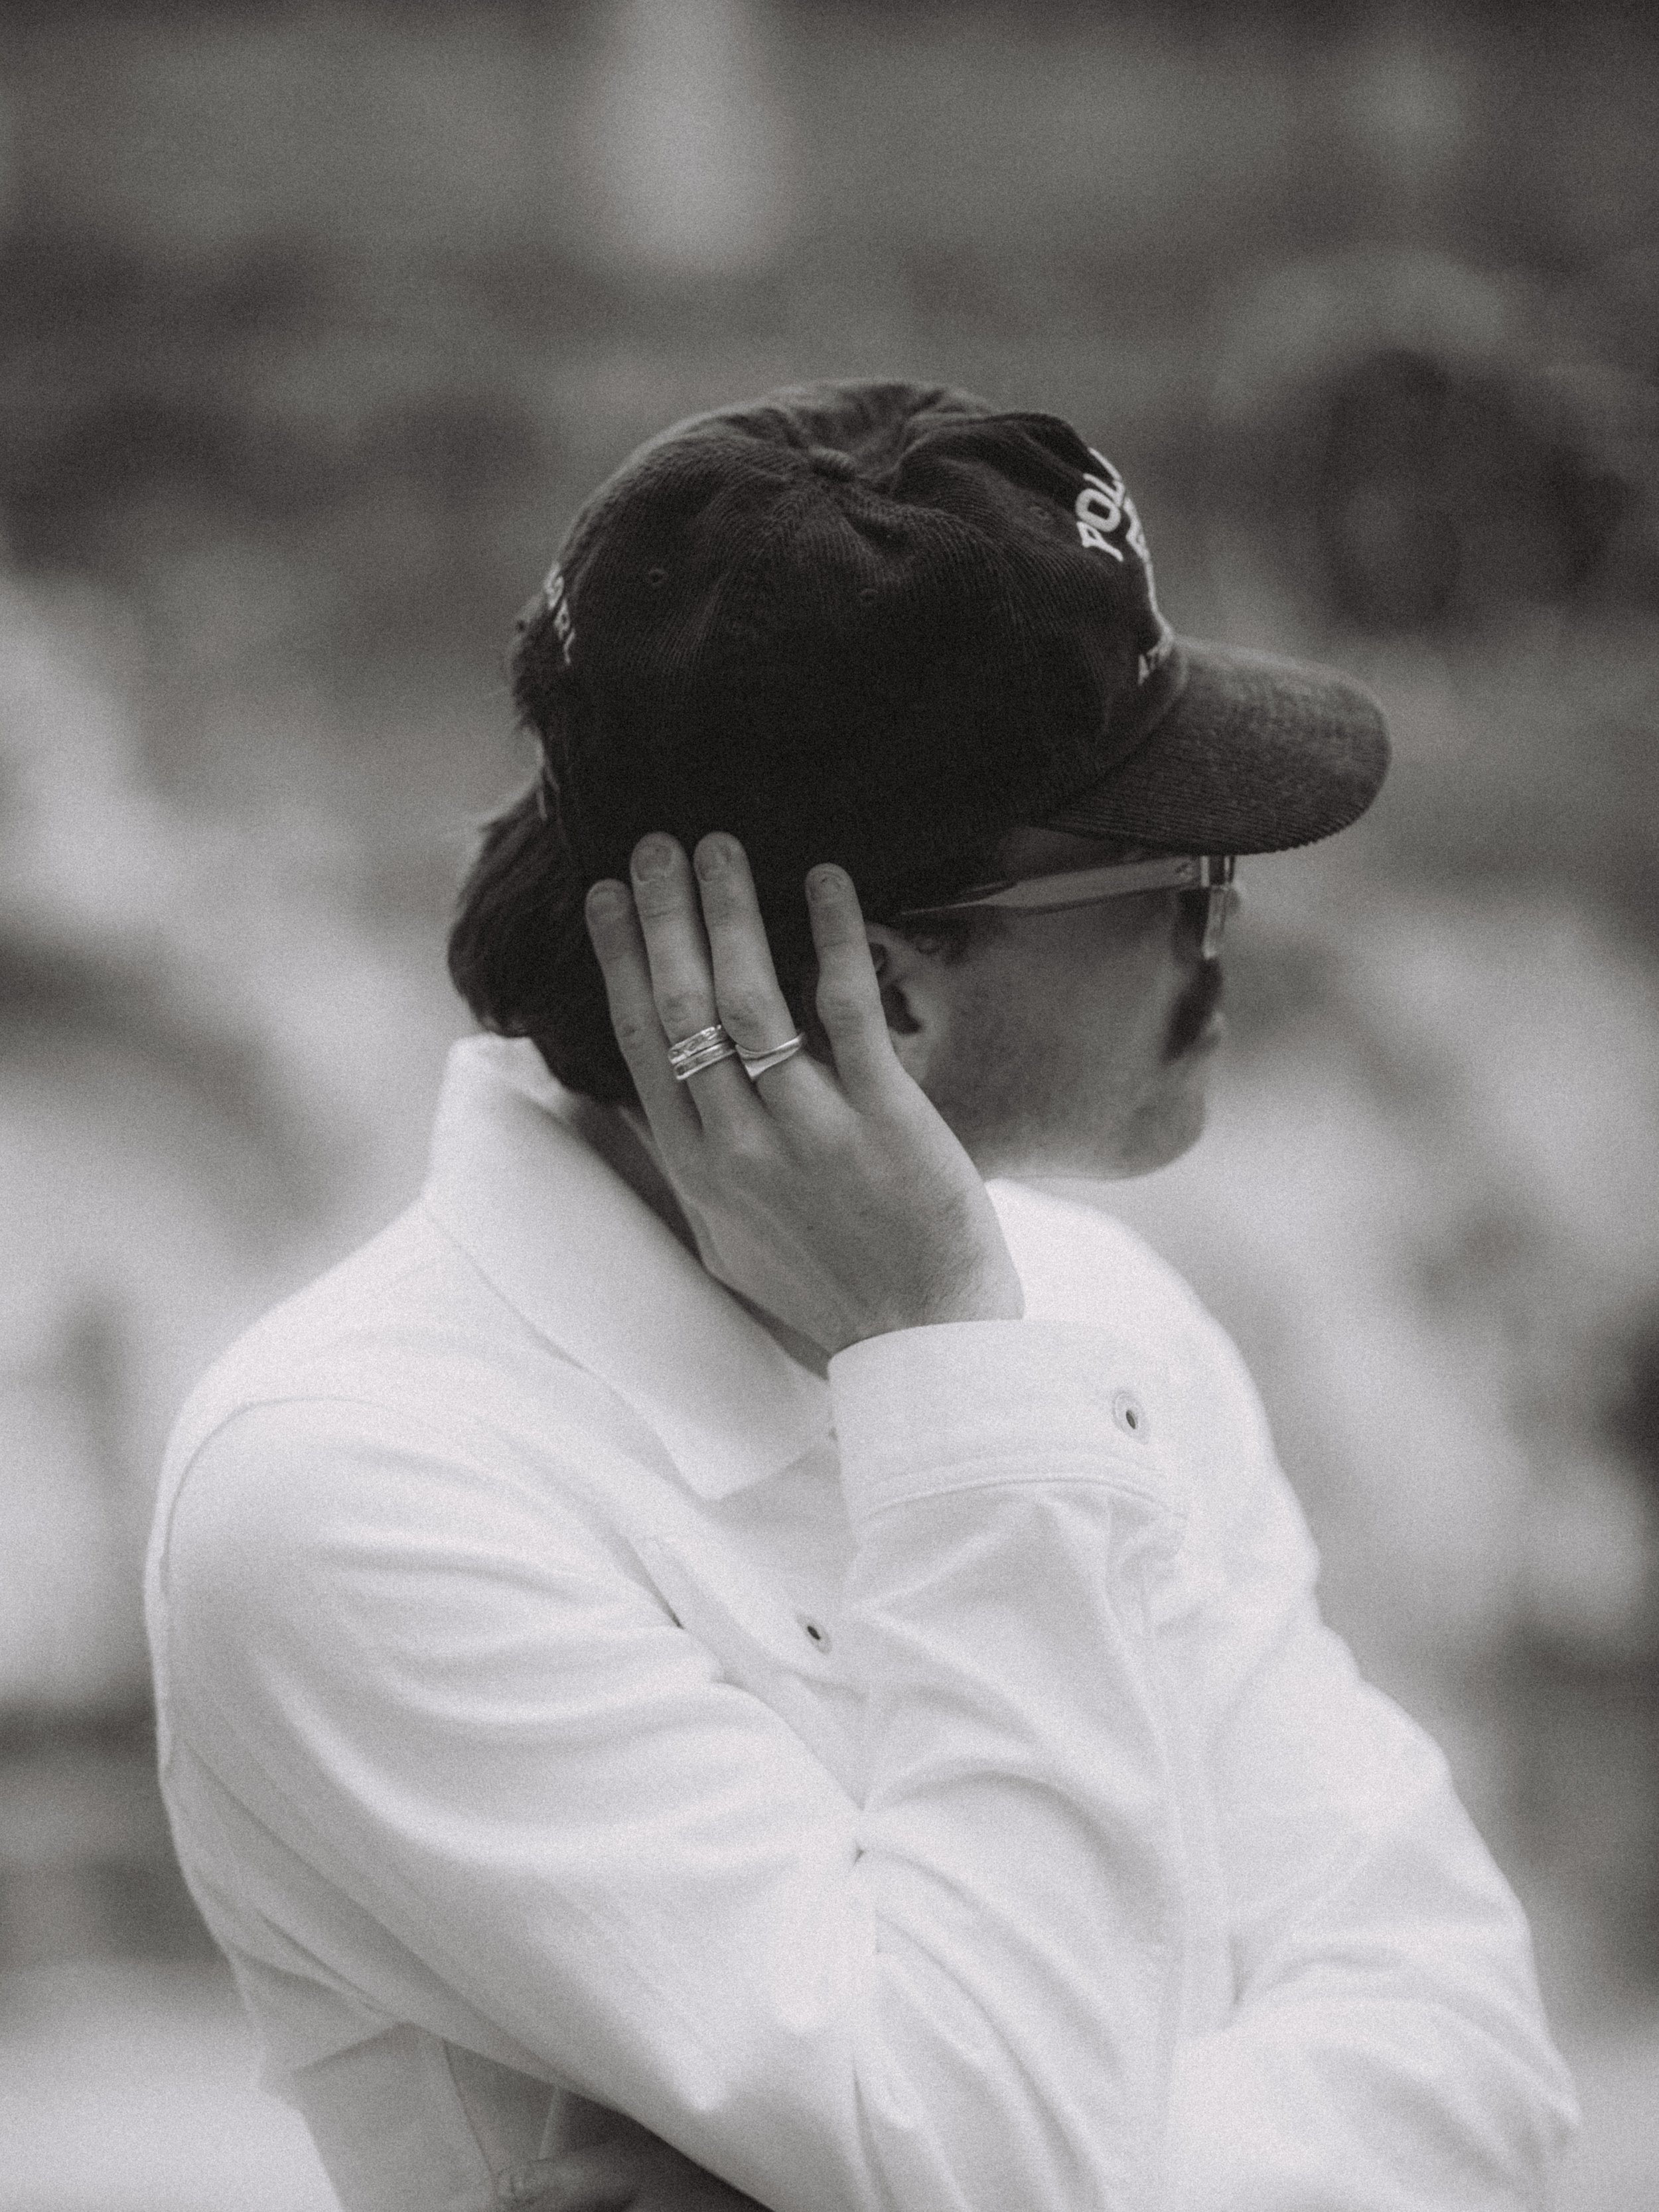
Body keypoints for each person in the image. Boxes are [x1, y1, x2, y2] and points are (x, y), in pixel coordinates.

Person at [145, 381, 1578, 2212]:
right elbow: (986, 2170)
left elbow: (1472, 2075)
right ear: (881, 989)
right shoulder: (357, 1490)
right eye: (1189, 872)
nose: (1233, 934)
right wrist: (948, 1386)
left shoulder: (1091, 1316)